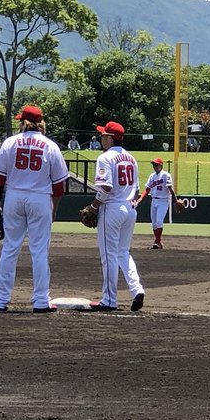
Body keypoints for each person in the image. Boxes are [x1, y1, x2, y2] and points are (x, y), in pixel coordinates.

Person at [0, 104, 68, 313]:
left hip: (14, 196)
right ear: (41, 123)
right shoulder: (50, 146)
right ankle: (41, 301)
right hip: (40, 198)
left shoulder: (10, 143)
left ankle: (0, 300)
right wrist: (54, 208)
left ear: (23, 122)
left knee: (10, 248)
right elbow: (59, 185)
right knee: (39, 251)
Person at [82, 121, 145, 313]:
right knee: (123, 253)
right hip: (129, 208)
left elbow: (106, 187)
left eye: (104, 135)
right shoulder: (131, 158)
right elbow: (137, 190)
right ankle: (137, 289)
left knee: (108, 255)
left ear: (111, 138)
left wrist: (93, 207)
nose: (101, 138)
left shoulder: (105, 157)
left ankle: (109, 299)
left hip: (112, 208)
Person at [134, 157, 178, 249]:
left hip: (163, 201)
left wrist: (175, 201)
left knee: (159, 221)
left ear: (161, 165)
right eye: (154, 165)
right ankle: (158, 241)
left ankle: (157, 242)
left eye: (157, 164)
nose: (155, 166)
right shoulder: (152, 176)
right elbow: (147, 189)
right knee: (154, 224)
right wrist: (140, 198)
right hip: (154, 200)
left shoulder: (166, 175)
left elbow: (170, 189)